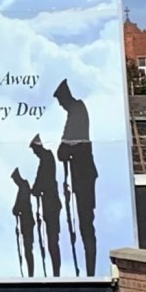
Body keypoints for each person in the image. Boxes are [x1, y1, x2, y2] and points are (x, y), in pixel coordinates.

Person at [54, 79, 99, 277]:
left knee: (86, 223)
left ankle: (91, 270)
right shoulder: (75, 111)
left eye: (61, 101)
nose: (60, 105)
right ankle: (89, 268)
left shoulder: (77, 110)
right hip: (79, 176)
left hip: (83, 176)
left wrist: (66, 149)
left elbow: (63, 149)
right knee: (84, 223)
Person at [29, 134, 62, 277]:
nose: (34, 153)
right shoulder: (46, 158)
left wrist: (35, 189)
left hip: (51, 204)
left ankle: (56, 272)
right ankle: (55, 271)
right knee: (51, 240)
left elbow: (41, 180)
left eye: (34, 150)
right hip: (49, 204)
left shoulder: (46, 158)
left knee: (53, 240)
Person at [10, 168, 35, 278]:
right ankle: (30, 273)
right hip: (25, 222)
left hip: (27, 221)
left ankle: (30, 274)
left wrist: (16, 209)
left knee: (28, 249)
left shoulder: (24, 186)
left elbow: (18, 206)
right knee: (27, 249)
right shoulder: (23, 187)